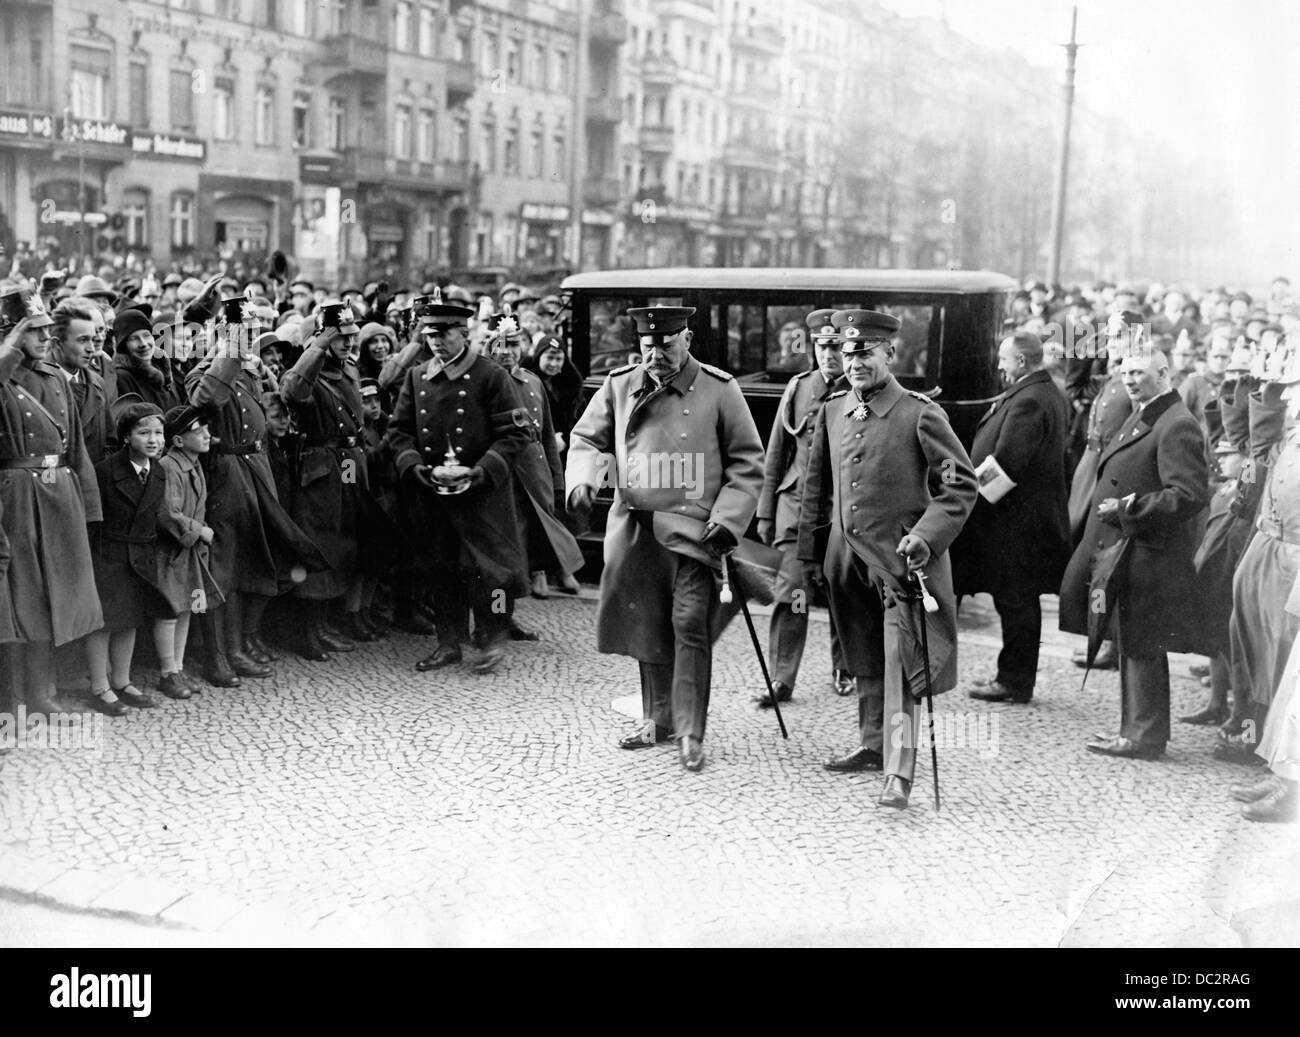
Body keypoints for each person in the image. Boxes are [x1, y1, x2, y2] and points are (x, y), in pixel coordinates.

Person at [567, 305, 764, 772]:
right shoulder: (618, 386)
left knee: (690, 623)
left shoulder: (720, 389)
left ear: (688, 339)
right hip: (637, 530)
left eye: (667, 342)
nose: (656, 352)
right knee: (646, 624)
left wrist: (730, 517)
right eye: (648, 344)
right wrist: (584, 480)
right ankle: (657, 719)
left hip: (696, 532)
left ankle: (691, 731)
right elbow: (586, 440)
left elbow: (747, 462)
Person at [798, 309, 977, 809]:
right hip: (846, 558)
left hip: (900, 562)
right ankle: (872, 744)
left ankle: (899, 772)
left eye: (866, 353)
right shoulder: (833, 410)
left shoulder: (920, 413)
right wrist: (807, 557)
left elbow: (960, 483)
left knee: (901, 665)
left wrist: (926, 536)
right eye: (849, 353)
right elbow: (816, 490)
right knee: (864, 657)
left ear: (890, 354)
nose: (855, 362)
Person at [1060, 345, 1210, 760]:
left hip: (1149, 550)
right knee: (1131, 640)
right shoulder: (1148, 412)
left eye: (1140, 372)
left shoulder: (1176, 424)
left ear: (1165, 373)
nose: (1129, 380)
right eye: (1125, 373)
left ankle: (1144, 736)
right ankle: (1134, 730)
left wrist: (1128, 508)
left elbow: (1189, 494)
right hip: (1132, 549)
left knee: (1142, 642)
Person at [388, 295, 533, 674]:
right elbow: (398, 433)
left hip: (483, 496)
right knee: (441, 569)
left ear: (464, 333)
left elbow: (517, 434)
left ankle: (493, 635)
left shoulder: (491, 375)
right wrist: (419, 469)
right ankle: (448, 642)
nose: (436, 341)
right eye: (430, 334)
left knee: (495, 574)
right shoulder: (417, 377)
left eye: (445, 333)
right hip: (435, 495)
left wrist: (481, 471)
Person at [186, 299, 326, 687]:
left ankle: (240, 644)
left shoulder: (248, 372)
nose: (247, 341)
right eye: (240, 333)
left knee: (250, 560)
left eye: (250, 333)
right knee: (222, 571)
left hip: (255, 469)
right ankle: (219, 655)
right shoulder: (203, 371)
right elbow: (207, 400)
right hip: (225, 474)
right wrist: (231, 349)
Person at [0, 286, 104, 716]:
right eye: (33, 330)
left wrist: (88, 506)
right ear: (10, 333)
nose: (45, 338)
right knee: (15, 600)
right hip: (15, 497)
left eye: (46, 329)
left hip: (59, 493)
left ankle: (41, 692)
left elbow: (76, 447)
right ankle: (10, 700)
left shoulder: (55, 376)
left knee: (49, 597)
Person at [957, 330, 1071, 704]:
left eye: (1004, 360)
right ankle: (1014, 677)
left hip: (1019, 526)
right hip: (1024, 523)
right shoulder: (1039, 391)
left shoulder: (1031, 400)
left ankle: (1014, 680)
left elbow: (1005, 467)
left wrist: (966, 502)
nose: (999, 367)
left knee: (1017, 600)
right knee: (1017, 599)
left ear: (1021, 361)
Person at [755, 308, 851, 707]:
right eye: (823, 347)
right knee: (791, 593)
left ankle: (845, 665)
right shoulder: (799, 388)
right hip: (794, 511)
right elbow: (776, 452)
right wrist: (764, 510)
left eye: (837, 348)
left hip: (841, 514)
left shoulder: (861, 390)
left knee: (843, 595)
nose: (829, 356)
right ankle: (781, 677)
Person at [486, 314, 583, 603]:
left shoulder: (532, 381)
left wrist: (555, 478)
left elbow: (548, 435)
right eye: (500, 345)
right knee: (503, 549)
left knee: (536, 537)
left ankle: (510, 612)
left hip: (535, 472)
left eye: (514, 345)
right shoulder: (485, 382)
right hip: (503, 475)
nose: (507, 351)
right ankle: (496, 616)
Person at [84, 400, 173, 715]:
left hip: (141, 556)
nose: (153, 440)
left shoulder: (158, 471)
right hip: (109, 555)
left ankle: (122, 681)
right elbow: (92, 520)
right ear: (125, 437)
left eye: (159, 433)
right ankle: (99, 686)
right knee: (104, 622)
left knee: (130, 619)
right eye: (143, 432)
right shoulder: (105, 472)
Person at [154, 404, 223, 700]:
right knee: (170, 609)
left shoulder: (193, 463)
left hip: (188, 552)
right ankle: (167, 673)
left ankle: (178, 668)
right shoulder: (171, 466)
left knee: (187, 608)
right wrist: (200, 530)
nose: (207, 434)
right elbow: (168, 513)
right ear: (179, 440)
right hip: (172, 551)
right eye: (199, 430)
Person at [50, 298, 114, 464]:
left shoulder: (97, 383)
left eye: (93, 339)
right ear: (57, 344)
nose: (91, 348)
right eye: (82, 340)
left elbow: (110, 441)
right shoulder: (36, 384)